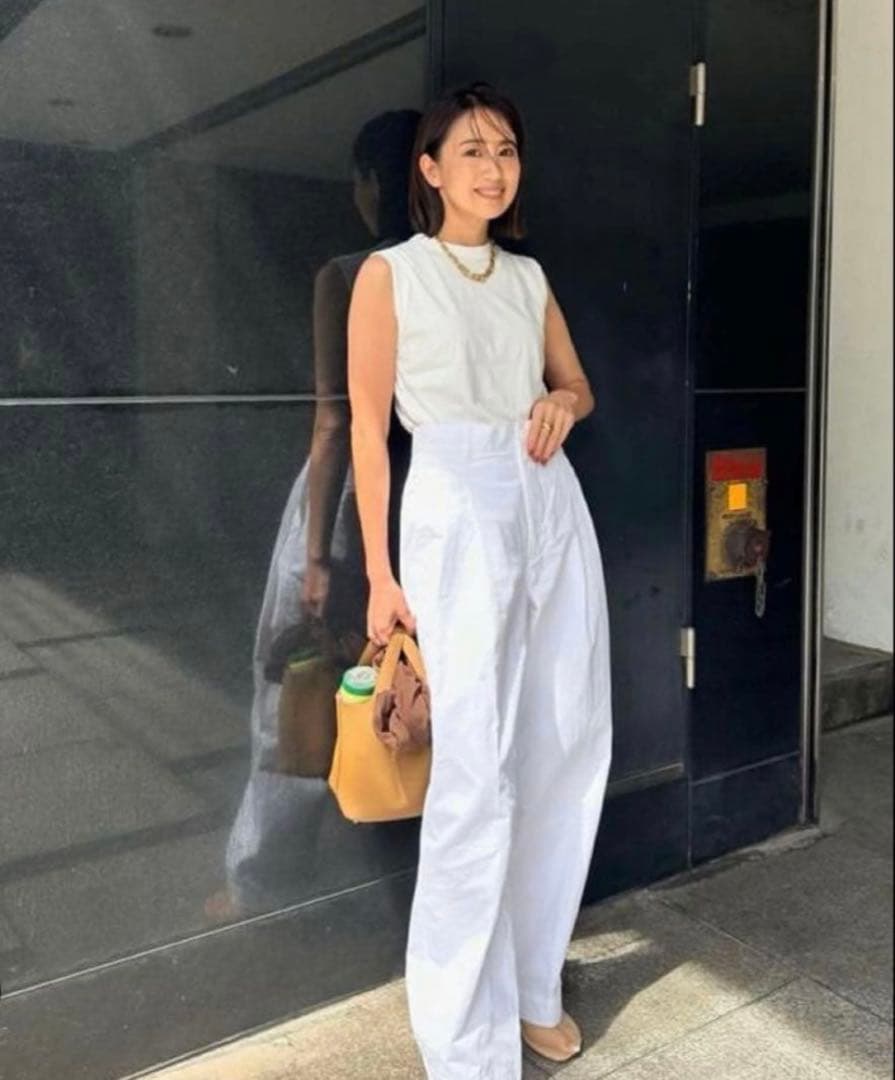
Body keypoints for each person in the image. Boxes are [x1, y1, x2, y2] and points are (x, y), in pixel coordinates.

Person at [347, 81, 613, 1078]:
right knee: (473, 772)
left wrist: (563, 407)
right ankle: (463, 1038)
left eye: (504, 149)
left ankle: (534, 986)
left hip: (548, 499)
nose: (491, 168)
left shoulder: (527, 279)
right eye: (470, 150)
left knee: (566, 740)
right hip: (456, 503)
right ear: (428, 169)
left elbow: (575, 384)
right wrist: (379, 573)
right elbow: (368, 430)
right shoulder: (390, 274)